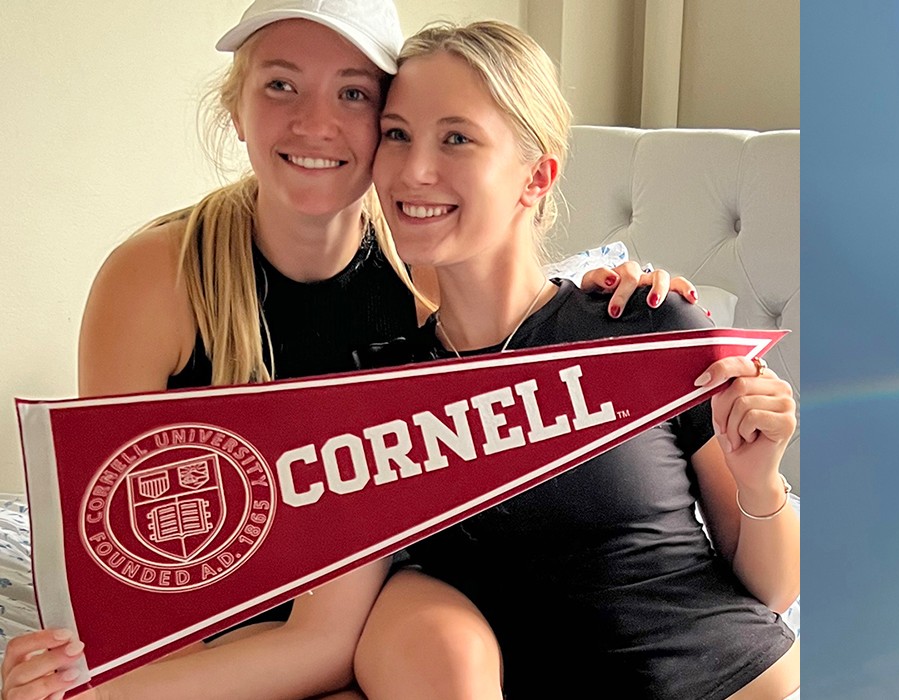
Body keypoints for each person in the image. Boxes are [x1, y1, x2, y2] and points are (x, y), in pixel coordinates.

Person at [0, 1, 700, 698]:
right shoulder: (160, 277)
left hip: (371, 617)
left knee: (439, 643)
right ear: (236, 108)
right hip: (216, 634)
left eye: (353, 93)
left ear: (381, 123)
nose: (316, 122)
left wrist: (622, 288)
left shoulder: (427, 275)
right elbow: (119, 555)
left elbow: (533, 323)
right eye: (280, 85)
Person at [344, 21, 799, 699]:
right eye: (397, 134)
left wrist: (760, 478)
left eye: (457, 138)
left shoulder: (642, 322)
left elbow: (771, 587)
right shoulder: (382, 388)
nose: (412, 171)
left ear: (538, 176)